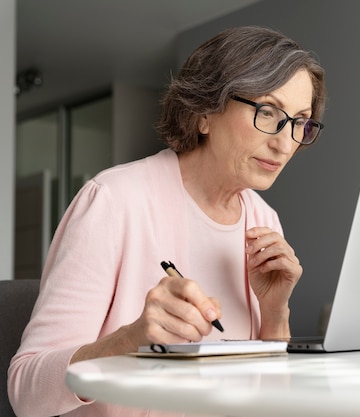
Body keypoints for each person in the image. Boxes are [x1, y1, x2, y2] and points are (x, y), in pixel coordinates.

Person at [8, 25, 326, 417]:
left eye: (300, 122)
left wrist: (275, 312)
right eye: (268, 112)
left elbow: (270, 401)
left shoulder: (264, 220)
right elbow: (24, 392)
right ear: (204, 112)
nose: (285, 141)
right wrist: (131, 340)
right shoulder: (113, 201)